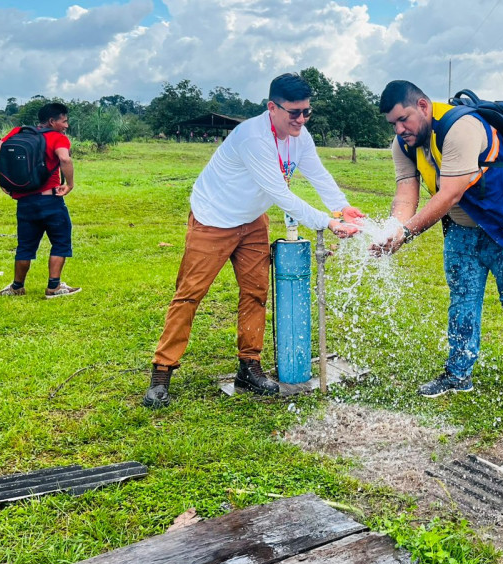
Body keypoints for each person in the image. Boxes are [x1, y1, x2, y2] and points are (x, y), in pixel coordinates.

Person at [144, 73, 363, 409]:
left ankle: (249, 366)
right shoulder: (253, 138)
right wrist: (329, 223)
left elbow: (317, 173)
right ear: (272, 107)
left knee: (256, 292)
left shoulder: (299, 136)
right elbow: (280, 194)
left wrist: (342, 206)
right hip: (213, 219)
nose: (301, 119)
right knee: (190, 294)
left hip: (252, 220)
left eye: (307, 112)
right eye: (294, 113)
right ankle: (161, 373)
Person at [373, 80, 503, 408]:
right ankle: (458, 372)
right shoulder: (403, 144)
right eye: (393, 123)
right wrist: (392, 228)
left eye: (404, 119)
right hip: (462, 225)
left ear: (423, 106)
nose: (400, 128)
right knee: (462, 299)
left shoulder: (460, 128)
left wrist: (406, 234)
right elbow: (407, 191)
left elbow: (450, 193)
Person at [0, 102, 81, 299]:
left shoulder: (17, 132)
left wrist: (0, 181)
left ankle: (16, 287)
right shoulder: (58, 138)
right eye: (64, 121)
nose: (66, 126)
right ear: (52, 121)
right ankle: (54, 287)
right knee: (60, 242)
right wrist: (70, 184)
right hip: (51, 200)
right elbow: (65, 159)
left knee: (25, 246)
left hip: (24, 201)